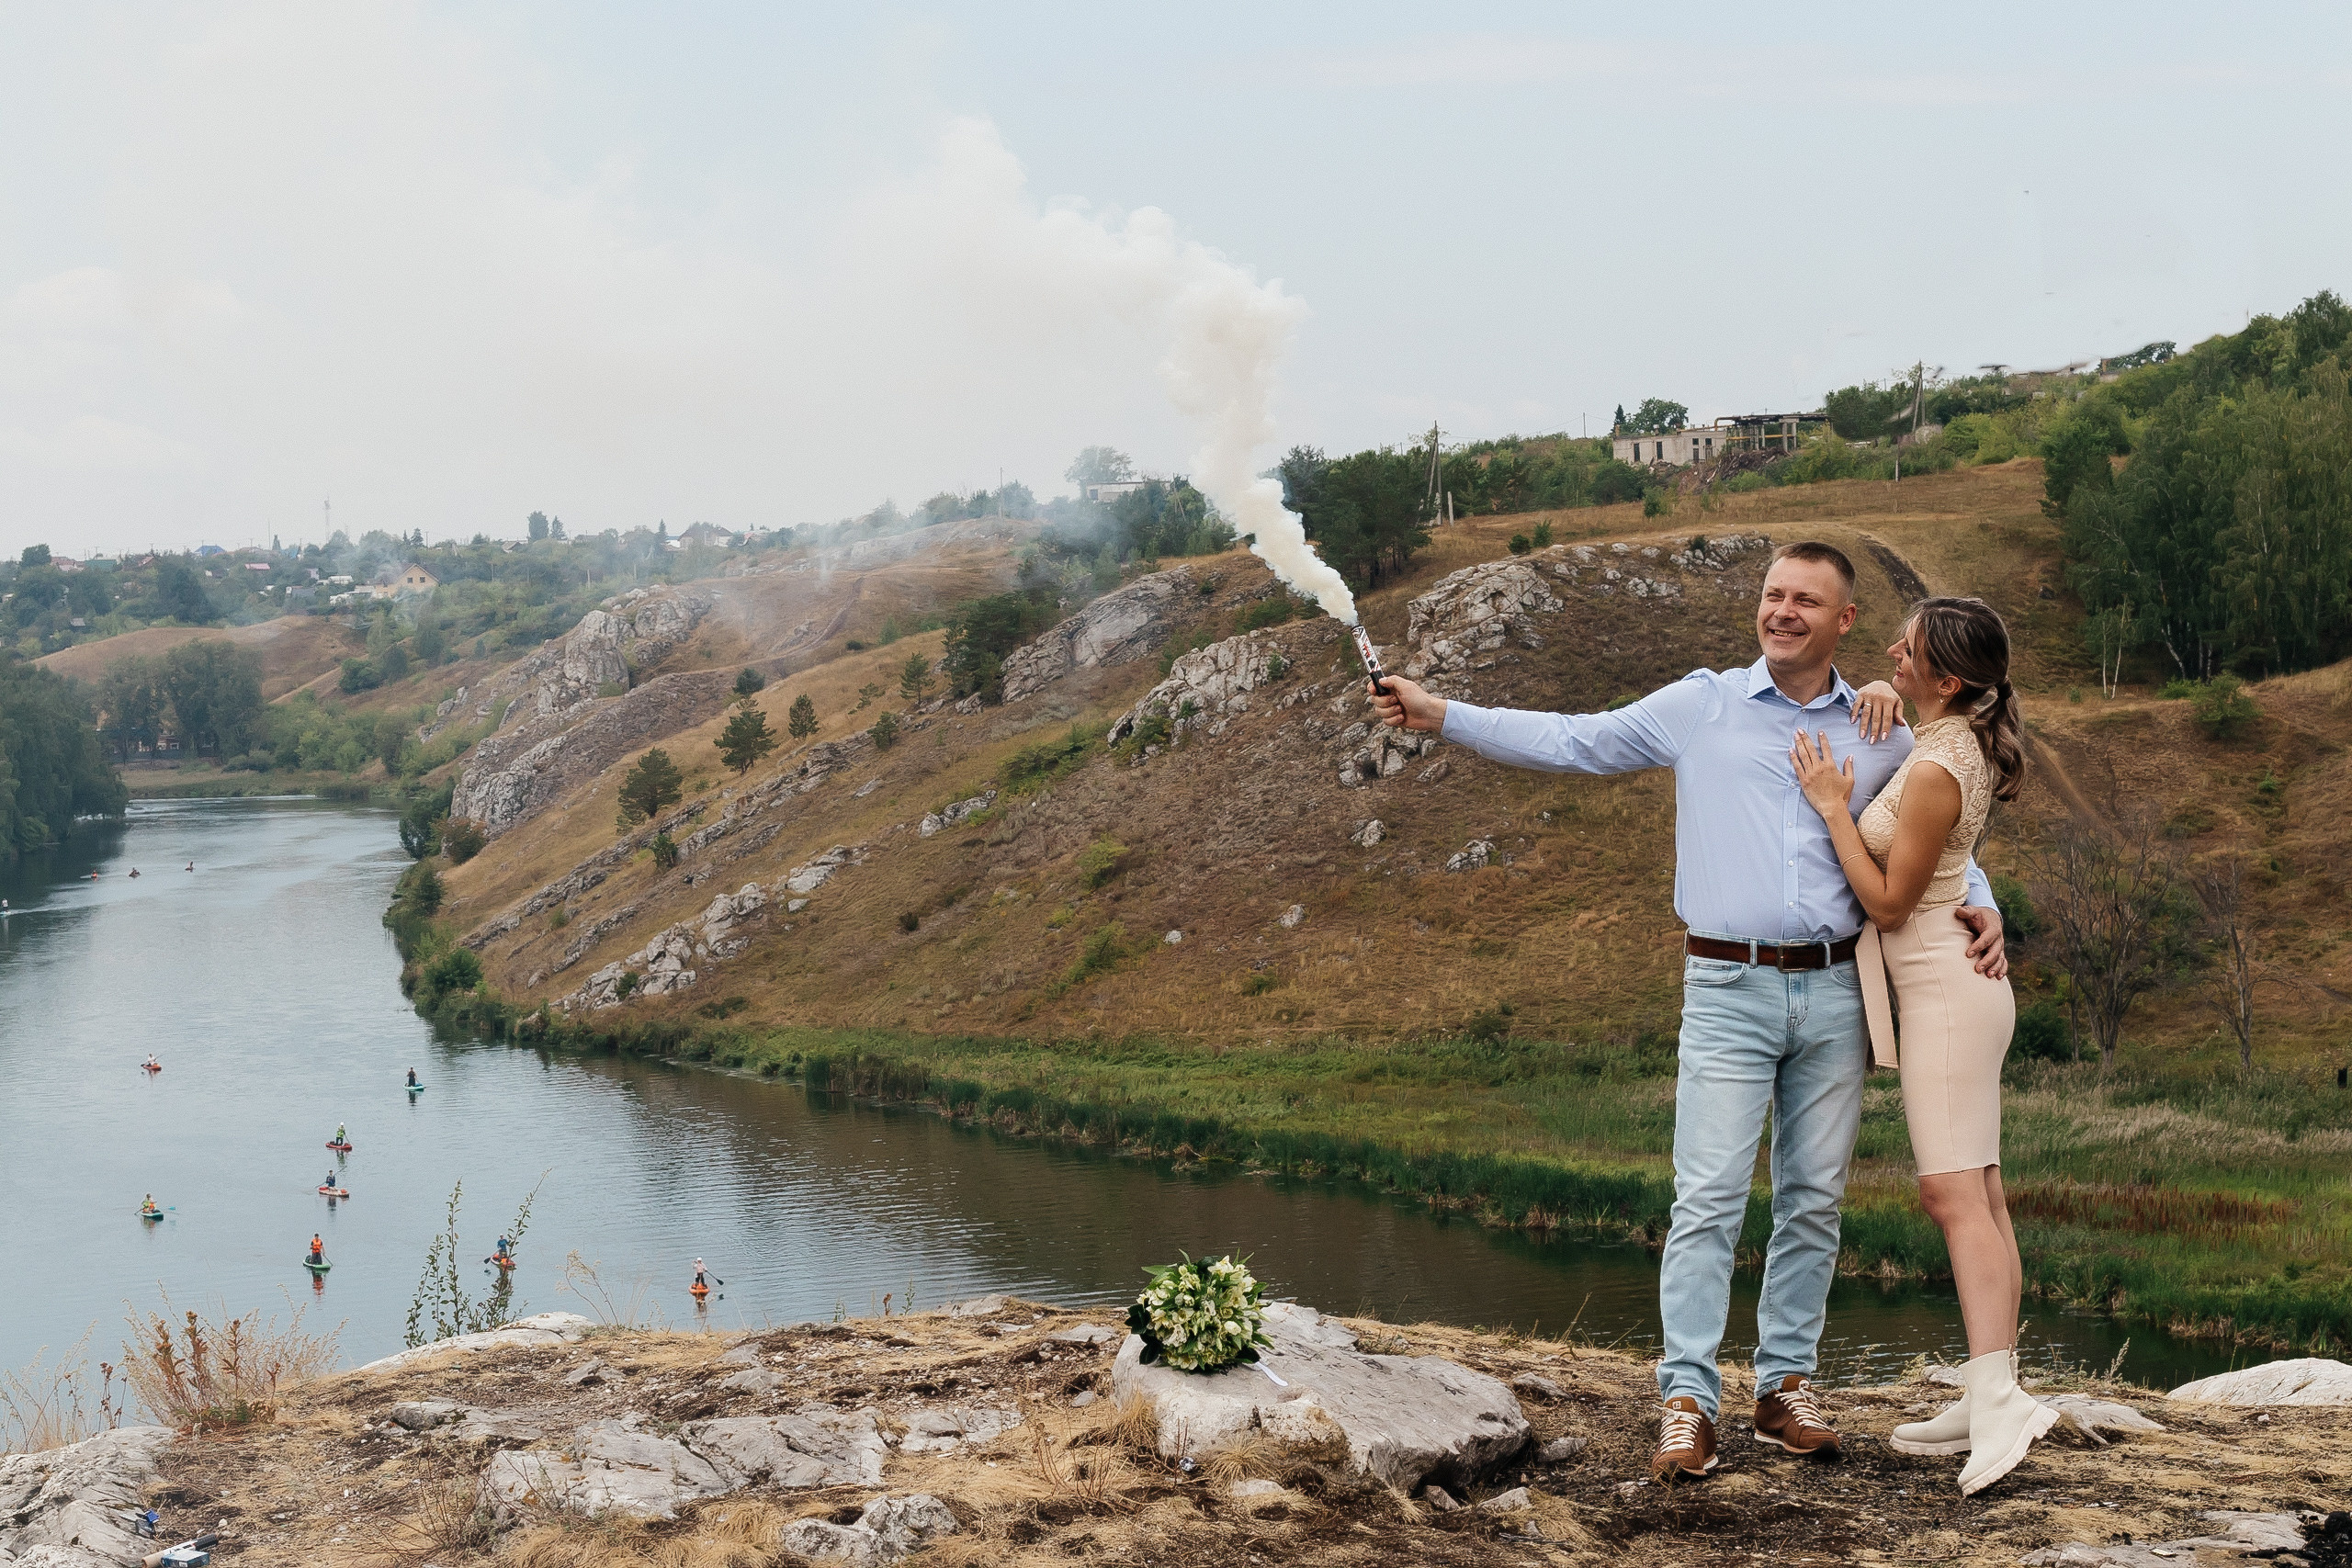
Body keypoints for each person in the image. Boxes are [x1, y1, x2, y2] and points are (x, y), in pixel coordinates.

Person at [1368, 541, 2007, 1484]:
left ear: (1843, 620)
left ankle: (1785, 1387)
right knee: (1706, 1199)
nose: (1782, 611)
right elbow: (1576, 739)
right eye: (1772, 594)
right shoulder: (1702, 703)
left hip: (1838, 987)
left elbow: (1939, 828)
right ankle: (1687, 1399)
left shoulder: (1879, 723)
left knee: (1813, 1201)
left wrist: (1984, 899)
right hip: (1726, 985)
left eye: (1806, 600)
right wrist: (1442, 714)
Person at [1790, 595, 2048, 1494]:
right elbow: (1940, 867)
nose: (1892, 652)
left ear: (1948, 676)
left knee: (1951, 1194)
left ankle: (2001, 1401)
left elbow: (1890, 904)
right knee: (1981, 1191)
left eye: (1909, 649)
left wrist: (1832, 807)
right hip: (1954, 984)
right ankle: (1989, 1389)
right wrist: (1878, 689)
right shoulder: (1944, 740)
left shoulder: (1940, 767)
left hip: (1944, 990)